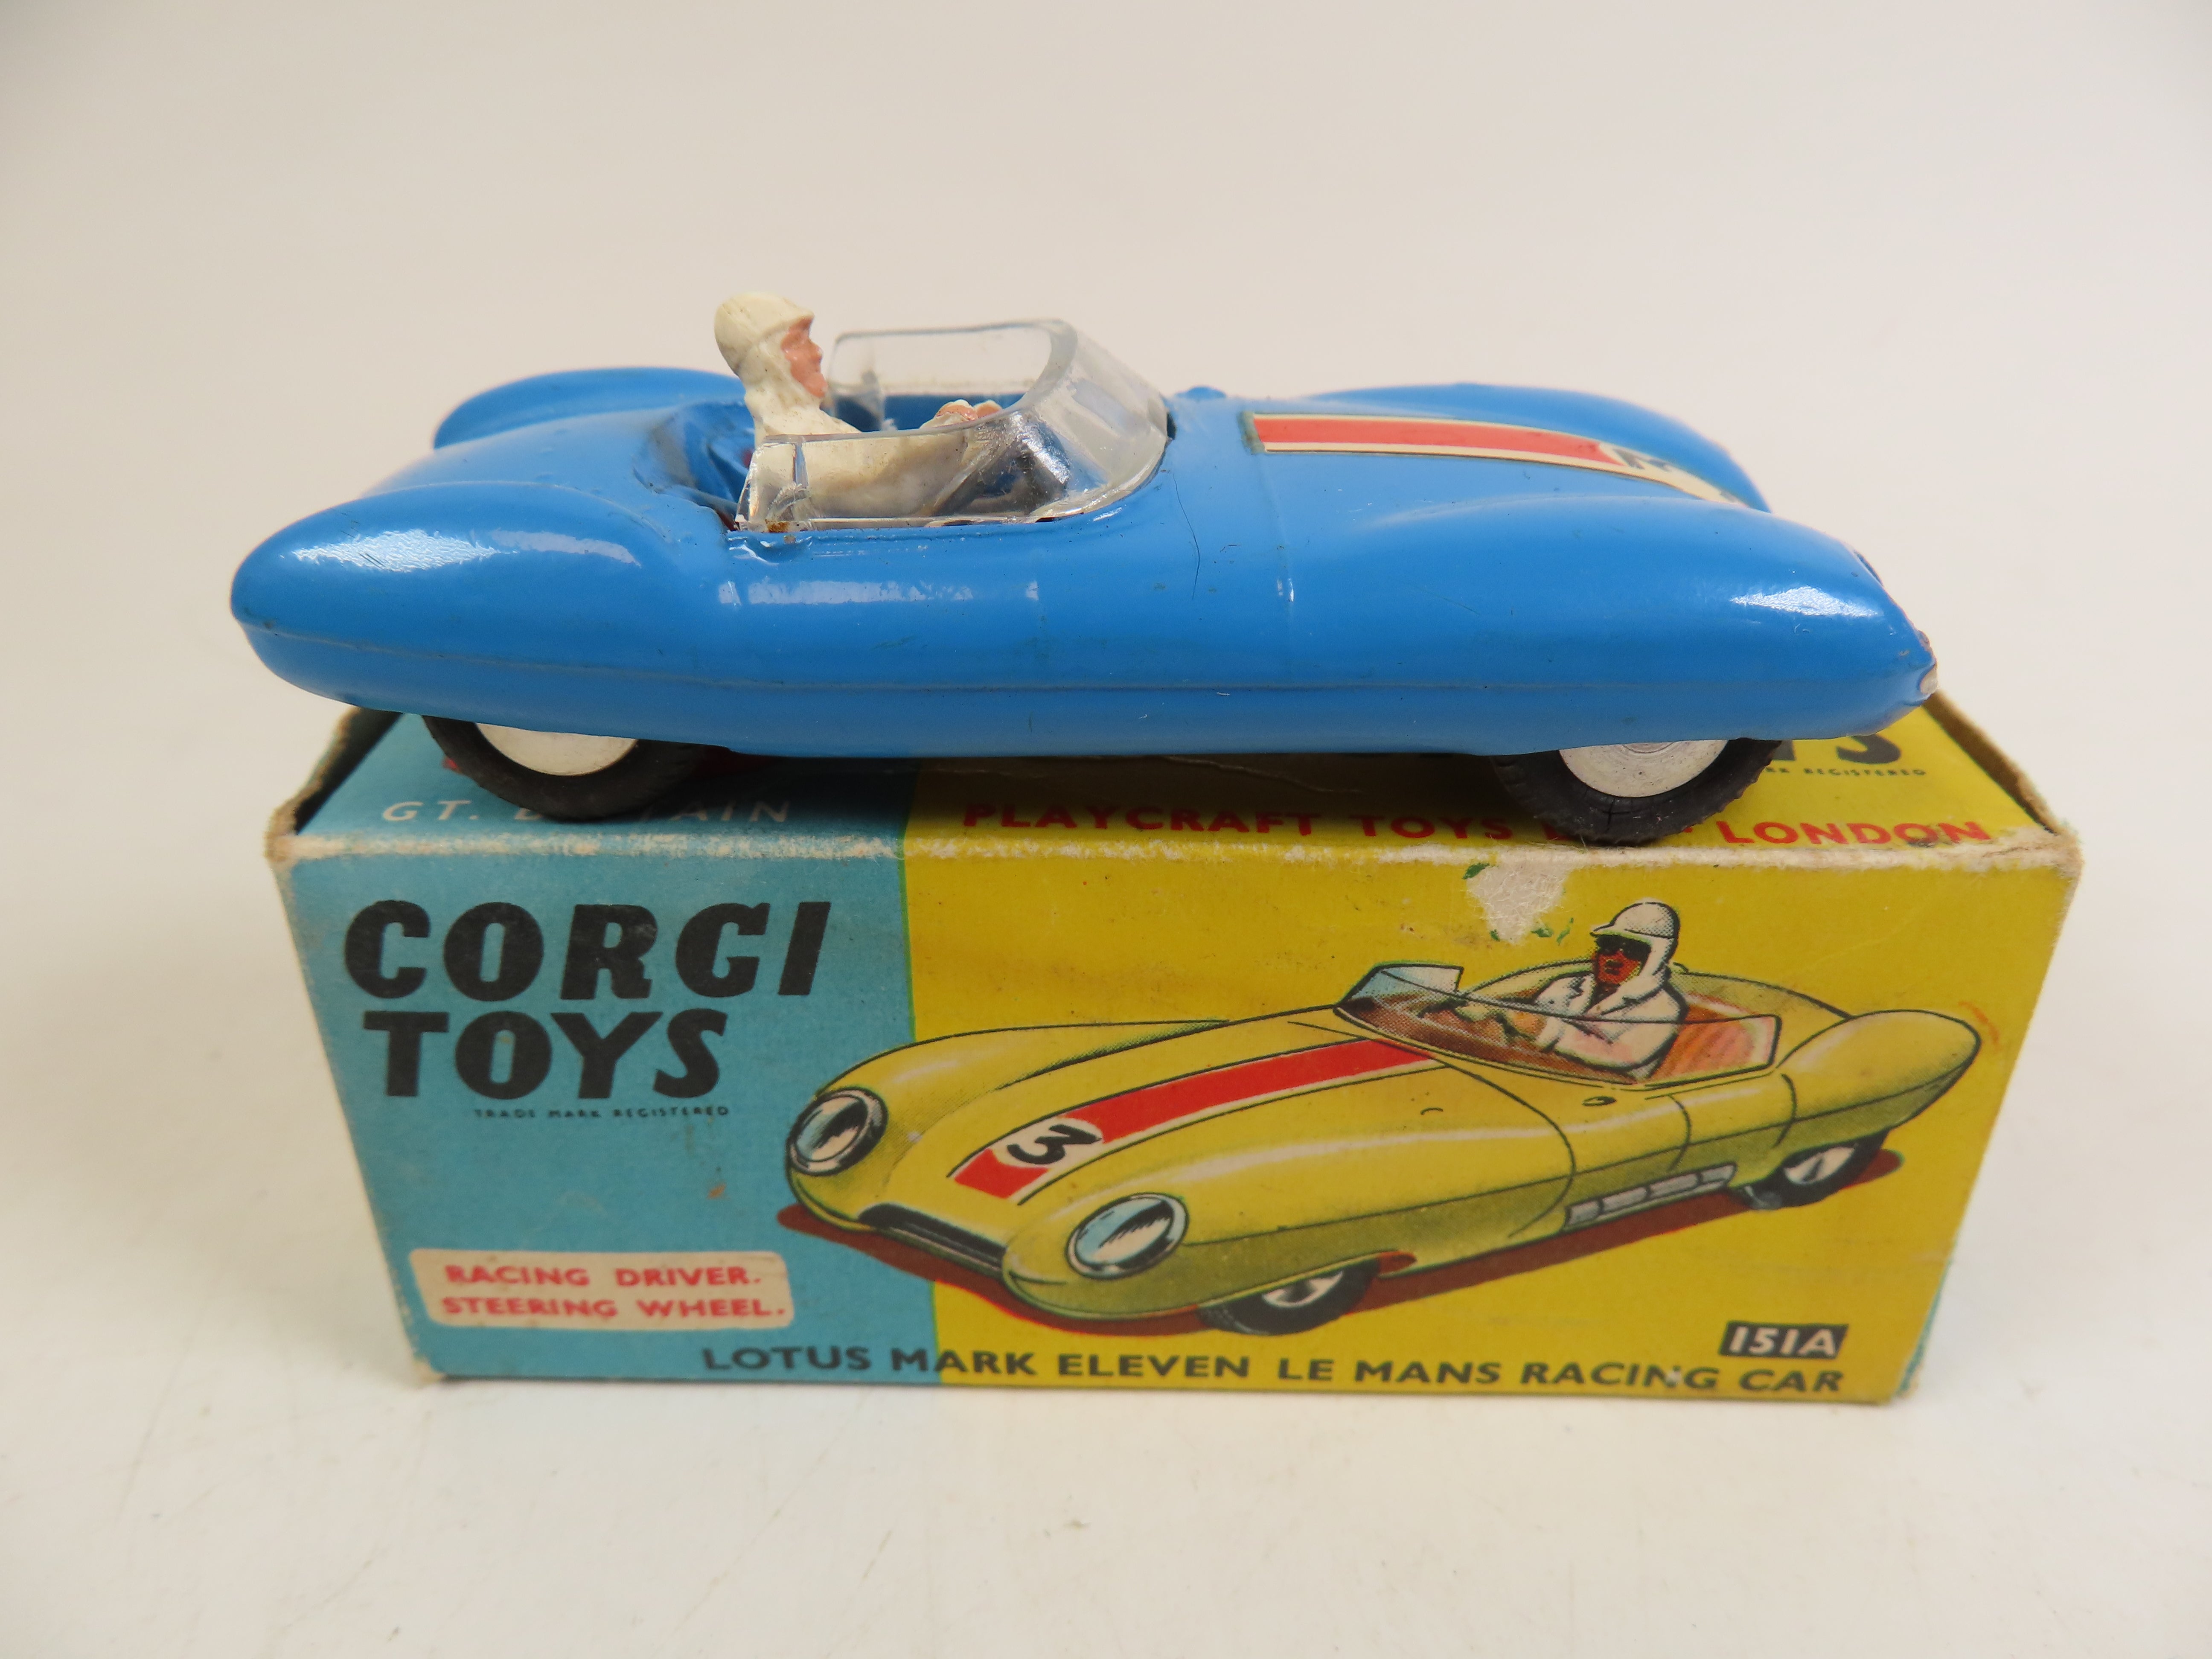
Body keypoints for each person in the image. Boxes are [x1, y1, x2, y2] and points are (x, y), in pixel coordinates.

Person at [712, 292, 999, 520]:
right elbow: (882, 490)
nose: (817, 352)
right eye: (797, 343)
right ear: (767, 361)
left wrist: (973, 442)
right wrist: (947, 434)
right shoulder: (786, 448)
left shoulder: (816, 424)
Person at [1494, 901, 1688, 1077]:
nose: (1616, 958)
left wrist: (1546, 1029)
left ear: (1654, 960)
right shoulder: (1568, 985)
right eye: (1609, 946)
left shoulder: (1664, 1007)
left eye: (1633, 951)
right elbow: (1523, 1028)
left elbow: (1622, 1056)